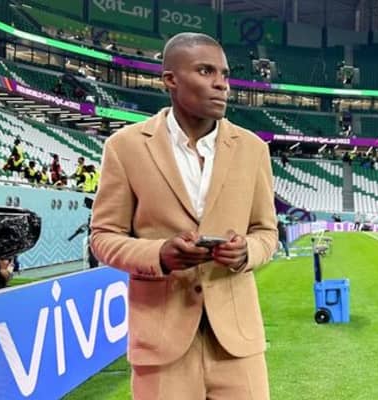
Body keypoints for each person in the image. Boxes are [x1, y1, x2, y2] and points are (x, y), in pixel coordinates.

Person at [90, 32, 277, 399]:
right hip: (161, 343)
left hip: (238, 343)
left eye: (224, 74)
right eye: (206, 71)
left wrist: (247, 252)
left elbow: (266, 232)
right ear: (170, 80)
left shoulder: (253, 149)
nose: (222, 84)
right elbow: (103, 236)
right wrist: (159, 255)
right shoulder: (125, 147)